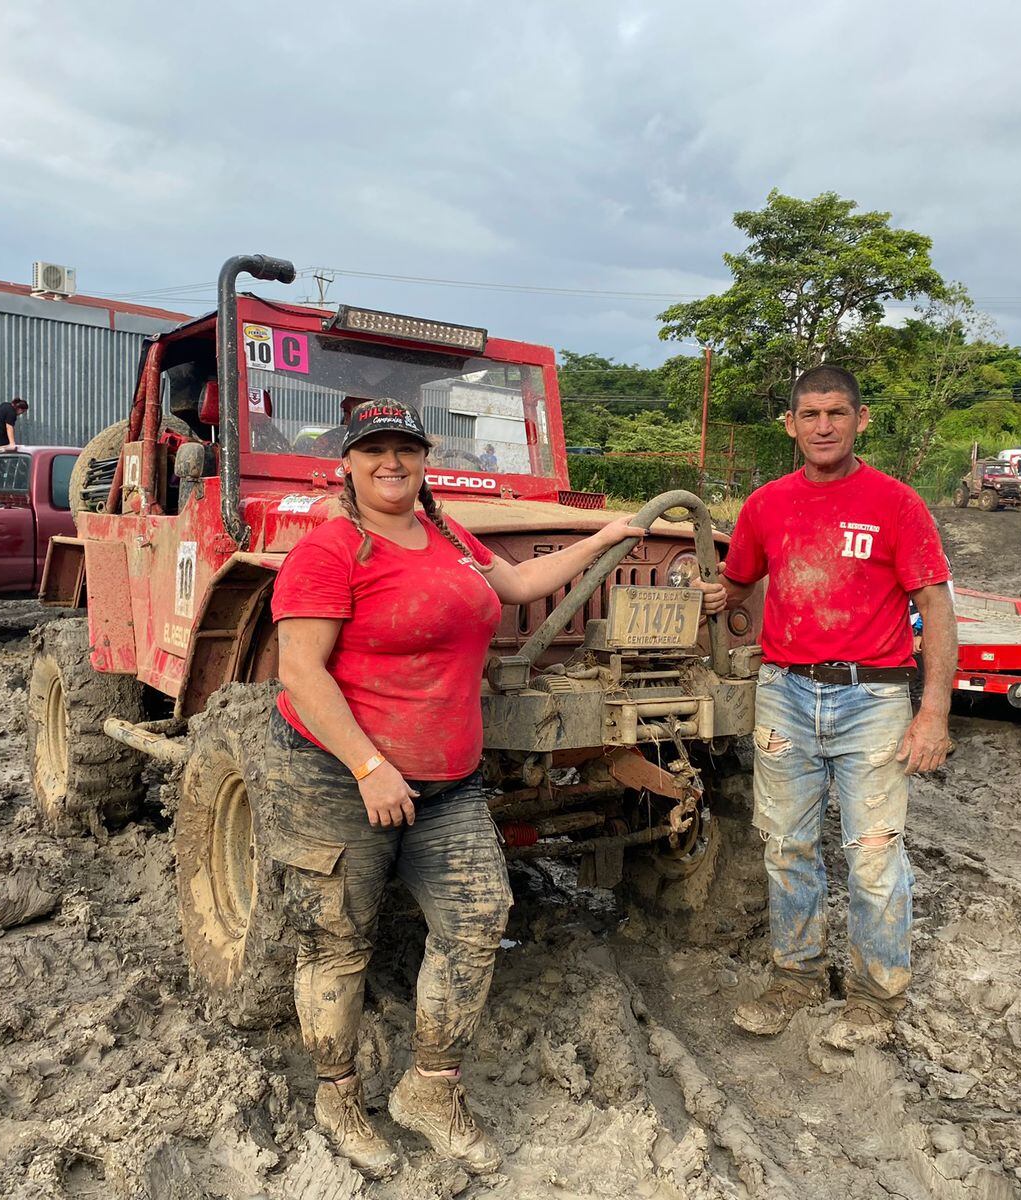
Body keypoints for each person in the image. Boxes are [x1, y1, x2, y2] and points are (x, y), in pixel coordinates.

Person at [270, 398, 715, 1178]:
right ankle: (337, 1096)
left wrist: (604, 540)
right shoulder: (332, 550)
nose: (391, 464)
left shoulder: (444, 532)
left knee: (479, 919)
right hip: (339, 774)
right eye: (374, 450)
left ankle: (428, 1092)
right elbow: (300, 672)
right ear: (347, 461)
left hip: (448, 781)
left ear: (422, 457)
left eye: (404, 449)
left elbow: (516, 584)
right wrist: (370, 766)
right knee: (338, 943)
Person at [715, 365, 957, 1052]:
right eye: (810, 414)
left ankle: (877, 995)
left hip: (873, 698)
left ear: (861, 420)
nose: (824, 426)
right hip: (785, 694)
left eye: (837, 414)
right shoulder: (765, 505)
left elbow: (936, 606)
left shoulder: (897, 504)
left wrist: (932, 710)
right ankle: (795, 978)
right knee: (787, 846)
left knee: (874, 854)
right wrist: (710, 598)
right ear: (789, 425)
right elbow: (737, 583)